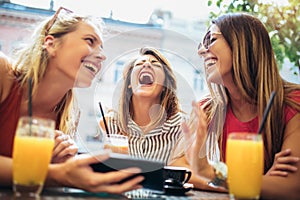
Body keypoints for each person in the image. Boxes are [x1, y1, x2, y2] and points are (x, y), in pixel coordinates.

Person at [0, 7, 144, 193]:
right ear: (51, 44)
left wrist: (56, 162)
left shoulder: (67, 115)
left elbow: (31, 179)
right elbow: (51, 174)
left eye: (101, 48)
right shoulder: (3, 74)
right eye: (90, 41)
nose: (102, 55)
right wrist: (57, 173)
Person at [169, 13, 300, 199]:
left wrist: (213, 174)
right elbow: (178, 167)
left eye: (211, 39)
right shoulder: (208, 108)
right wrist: (258, 182)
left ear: (243, 44)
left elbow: (292, 187)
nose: (201, 51)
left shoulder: (293, 102)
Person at [99, 47, 185, 164]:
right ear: (129, 82)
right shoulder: (111, 124)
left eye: (155, 64)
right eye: (139, 63)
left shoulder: (182, 128)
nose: (147, 65)